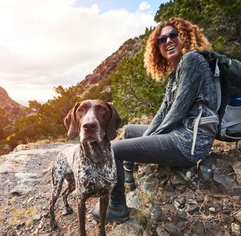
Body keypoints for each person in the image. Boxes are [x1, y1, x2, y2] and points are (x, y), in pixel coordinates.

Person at [92, 17, 219, 222]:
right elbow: (162, 113)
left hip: (190, 143)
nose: (168, 41)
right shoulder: (175, 72)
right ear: (157, 48)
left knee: (115, 149)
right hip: (181, 133)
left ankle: (117, 208)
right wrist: (144, 138)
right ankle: (129, 179)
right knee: (131, 130)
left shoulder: (192, 60)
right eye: (161, 39)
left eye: (173, 35)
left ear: (184, 37)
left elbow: (177, 112)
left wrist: (145, 143)